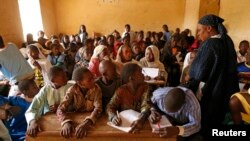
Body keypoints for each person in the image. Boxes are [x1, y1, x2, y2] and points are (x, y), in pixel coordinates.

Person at [187, 14, 239, 137]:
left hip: (211, 94)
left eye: (200, 30)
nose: (198, 35)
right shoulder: (227, 41)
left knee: (206, 125)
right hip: (224, 91)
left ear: (209, 28)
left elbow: (198, 73)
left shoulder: (210, 44)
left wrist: (189, 76)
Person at [25, 66, 72, 137]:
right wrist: (32, 122)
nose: (66, 78)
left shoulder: (71, 87)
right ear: (53, 80)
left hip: (70, 118)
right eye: (63, 77)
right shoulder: (45, 90)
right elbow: (32, 109)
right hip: (51, 121)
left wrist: (61, 107)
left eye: (65, 75)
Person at [57, 67, 102, 139]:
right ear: (80, 83)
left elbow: (98, 108)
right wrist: (65, 122)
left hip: (90, 118)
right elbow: (60, 109)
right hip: (76, 118)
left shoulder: (96, 89)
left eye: (93, 78)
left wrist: (87, 122)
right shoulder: (72, 90)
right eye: (89, 80)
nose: (94, 81)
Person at [106, 63, 151, 133]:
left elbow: (145, 105)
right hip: (125, 126)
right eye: (141, 72)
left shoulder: (145, 87)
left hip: (141, 123)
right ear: (132, 78)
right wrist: (113, 117)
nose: (144, 75)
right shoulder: (121, 91)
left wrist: (141, 119)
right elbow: (110, 106)